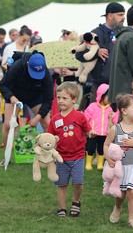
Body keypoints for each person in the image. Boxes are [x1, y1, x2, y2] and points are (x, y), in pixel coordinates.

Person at [47, 82, 96, 217]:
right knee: (61, 184)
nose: (61, 101)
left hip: (78, 156)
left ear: (74, 100)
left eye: (65, 98)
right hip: (61, 158)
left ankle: (76, 202)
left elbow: (88, 130)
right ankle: (61, 208)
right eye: (59, 98)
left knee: (78, 183)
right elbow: (50, 137)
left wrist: (91, 133)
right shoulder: (55, 119)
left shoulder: (80, 116)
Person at [103, 94, 133, 229]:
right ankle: (118, 208)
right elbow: (106, 145)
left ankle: (132, 219)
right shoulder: (115, 129)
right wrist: (108, 158)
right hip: (120, 168)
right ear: (124, 111)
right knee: (121, 193)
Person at [0, 52, 53, 146]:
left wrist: (38, 117)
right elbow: (2, 85)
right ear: (28, 65)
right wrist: (11, 97)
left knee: (47, 123)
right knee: (8, 124)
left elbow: (48, 99)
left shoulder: (46, 74)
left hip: (35, 96)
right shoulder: (18, 66)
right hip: (15, 94)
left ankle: (46, 155)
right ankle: (7, 157)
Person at [89, 2, 125, 102]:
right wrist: (96, 51)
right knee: (97, 116)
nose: (123, 18)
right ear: (110, 15)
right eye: (120, 15)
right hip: (99, 85)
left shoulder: (124, 33)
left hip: (119, 85)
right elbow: (81, 53)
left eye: (124, 15)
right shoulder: (96, 33)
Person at [83, 83, 116, 170]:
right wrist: (88, 129)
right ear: (101, 96)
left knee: (101, 148)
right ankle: (88, 163)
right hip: (93, 132)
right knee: (90, 147)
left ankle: (100, 163)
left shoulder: (110, 109)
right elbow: (85, 117)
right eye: (108, 96)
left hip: (104, 133)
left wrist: (112, 116)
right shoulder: (92, 106)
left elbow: (113, 120)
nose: (110, 99)